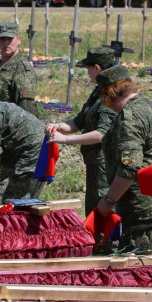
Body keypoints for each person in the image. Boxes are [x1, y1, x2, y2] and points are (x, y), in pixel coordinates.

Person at [95, 64, 152, 253]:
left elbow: (129, 168)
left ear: (108, 95)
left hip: (140, 205)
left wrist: (108, 201)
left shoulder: (129, 118)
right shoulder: (150, 106)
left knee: (134, 264)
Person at [48, 46, 117, 215]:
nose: (87, 73)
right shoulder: (98, 91)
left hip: (104, 164)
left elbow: (101, 134)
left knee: (102, 213)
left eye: (88, 68)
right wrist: (59, 126)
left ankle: (105, 242)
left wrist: (65, 140)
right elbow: (79, 121)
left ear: (97, 68)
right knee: (93, 209)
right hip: (94, 162)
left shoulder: (110, 94)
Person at [0, 22, 39, 202]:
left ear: (19, 40)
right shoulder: (1, 65)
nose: (6, 43)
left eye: (10, 39)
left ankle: (2, 226)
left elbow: (26, 109)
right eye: (2, 39)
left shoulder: (21, 68)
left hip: (15, 139)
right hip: (0, 136)